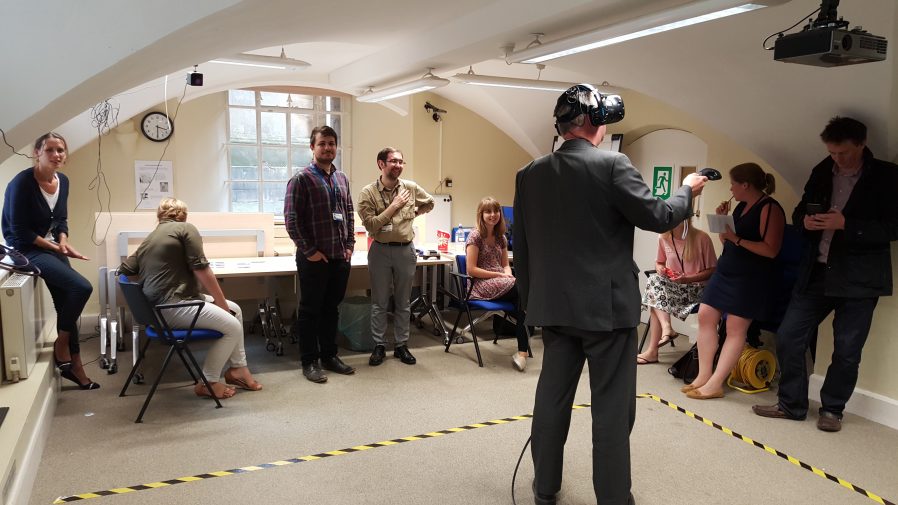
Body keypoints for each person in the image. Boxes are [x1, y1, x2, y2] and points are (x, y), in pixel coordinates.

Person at [514, 84, 707, 505]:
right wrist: (688, 190)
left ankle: (544, 489)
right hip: (607, 312)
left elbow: (522, 248)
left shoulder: (529, 174)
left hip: (554, 309)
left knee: (551, 401)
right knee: (612, 414)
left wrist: (532, 303)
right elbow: (659, 216)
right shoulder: (613, 164)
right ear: (591, 122)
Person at [753, 116, 898, 432]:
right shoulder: (821, 169)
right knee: (790, 336)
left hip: (860, 279)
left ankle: (832, 410)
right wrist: (804, 221)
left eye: (843, 153)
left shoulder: (887, 176)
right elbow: (801, 208)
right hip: (816, 272)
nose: (836, 159)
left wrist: (847, 225)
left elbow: (893, 227)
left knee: (847, 350)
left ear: (861, 144)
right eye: (832, 152)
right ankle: (791, 405)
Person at [119, 198, 262, 398]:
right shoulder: (186, 228)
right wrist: (221, 305)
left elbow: (124, 270)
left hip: (157, 310)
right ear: (184, 215)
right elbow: (202, 269)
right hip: (172, 307)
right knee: (233, 325)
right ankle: (209, 381)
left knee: (236, 310)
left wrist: (159, 274)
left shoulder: (151, 238)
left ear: (159, 216)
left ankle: (238, 369)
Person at [2, 132, 97, 390]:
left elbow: (60, 219)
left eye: (61, 150)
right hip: (26, 250)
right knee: (82, 287)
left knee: (67, 301)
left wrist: (63, 242)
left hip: (50, 246)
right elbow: (20, 233)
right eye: (51, 150)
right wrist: (57, 247)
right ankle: (62, 344)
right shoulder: (22, 183)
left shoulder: (62, 181)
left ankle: (74, 366)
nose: (57, 155)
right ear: (37, 153)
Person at [685, 163, 785, 400]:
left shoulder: (770, 209)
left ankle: (716, 384)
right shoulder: (740, 206)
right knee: (705, 317)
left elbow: (771, 250)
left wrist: (736, 238)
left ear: (745, 185)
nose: (730, 188)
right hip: (726, 271)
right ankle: (704, 375)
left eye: (732, 183)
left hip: (750, 278)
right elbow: (726, 241)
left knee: (734, 329)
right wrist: (723, 220)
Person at [284, 125, 356, 383]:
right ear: (312, 147)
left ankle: (329, 355)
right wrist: (311, 251)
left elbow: (348, 214)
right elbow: (292, 221)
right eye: (322, 143)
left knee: (331, 309)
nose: (327, 148)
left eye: (331, 143)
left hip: (339, 257)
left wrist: (349, 247)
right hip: (314, 259)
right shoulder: (301, 179)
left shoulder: (342, 178)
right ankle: (309, 361)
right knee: (310, 310)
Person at [356, 147, 434, 366]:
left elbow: (430, 202)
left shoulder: (410, 187)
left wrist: (415, 214)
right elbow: (371, 224)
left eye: (401, 162)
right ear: (381, 164)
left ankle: (401, 345)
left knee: (403, 302)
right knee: (379, 302)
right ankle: (379, 346)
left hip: (405, 250)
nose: (398, 165)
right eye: (393, 161)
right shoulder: (368, 193)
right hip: (380, 250)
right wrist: (394, 206)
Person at [637, 217, 717, 365]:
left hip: (697, 290)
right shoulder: (663, 237)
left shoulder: (702, 238)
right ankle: (666, 328)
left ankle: (654, 349)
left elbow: (713, 270)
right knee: (654, 282)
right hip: (675, 289)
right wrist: (660, 268)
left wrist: (687, 279)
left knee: (655, 300)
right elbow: (659, 261)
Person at [465, 196, 530, 371]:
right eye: (488, 211)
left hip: (500, 281)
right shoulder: (475, 236)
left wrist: (507, 274)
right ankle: (523, 349)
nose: (493, 215)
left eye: (496, 211)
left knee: (521, 298)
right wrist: (499, 275)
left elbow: (505, 265)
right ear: (481, 214)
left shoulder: (500, 237)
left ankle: (522, 352)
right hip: (480, 284)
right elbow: (471, 270)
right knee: (522, 291)